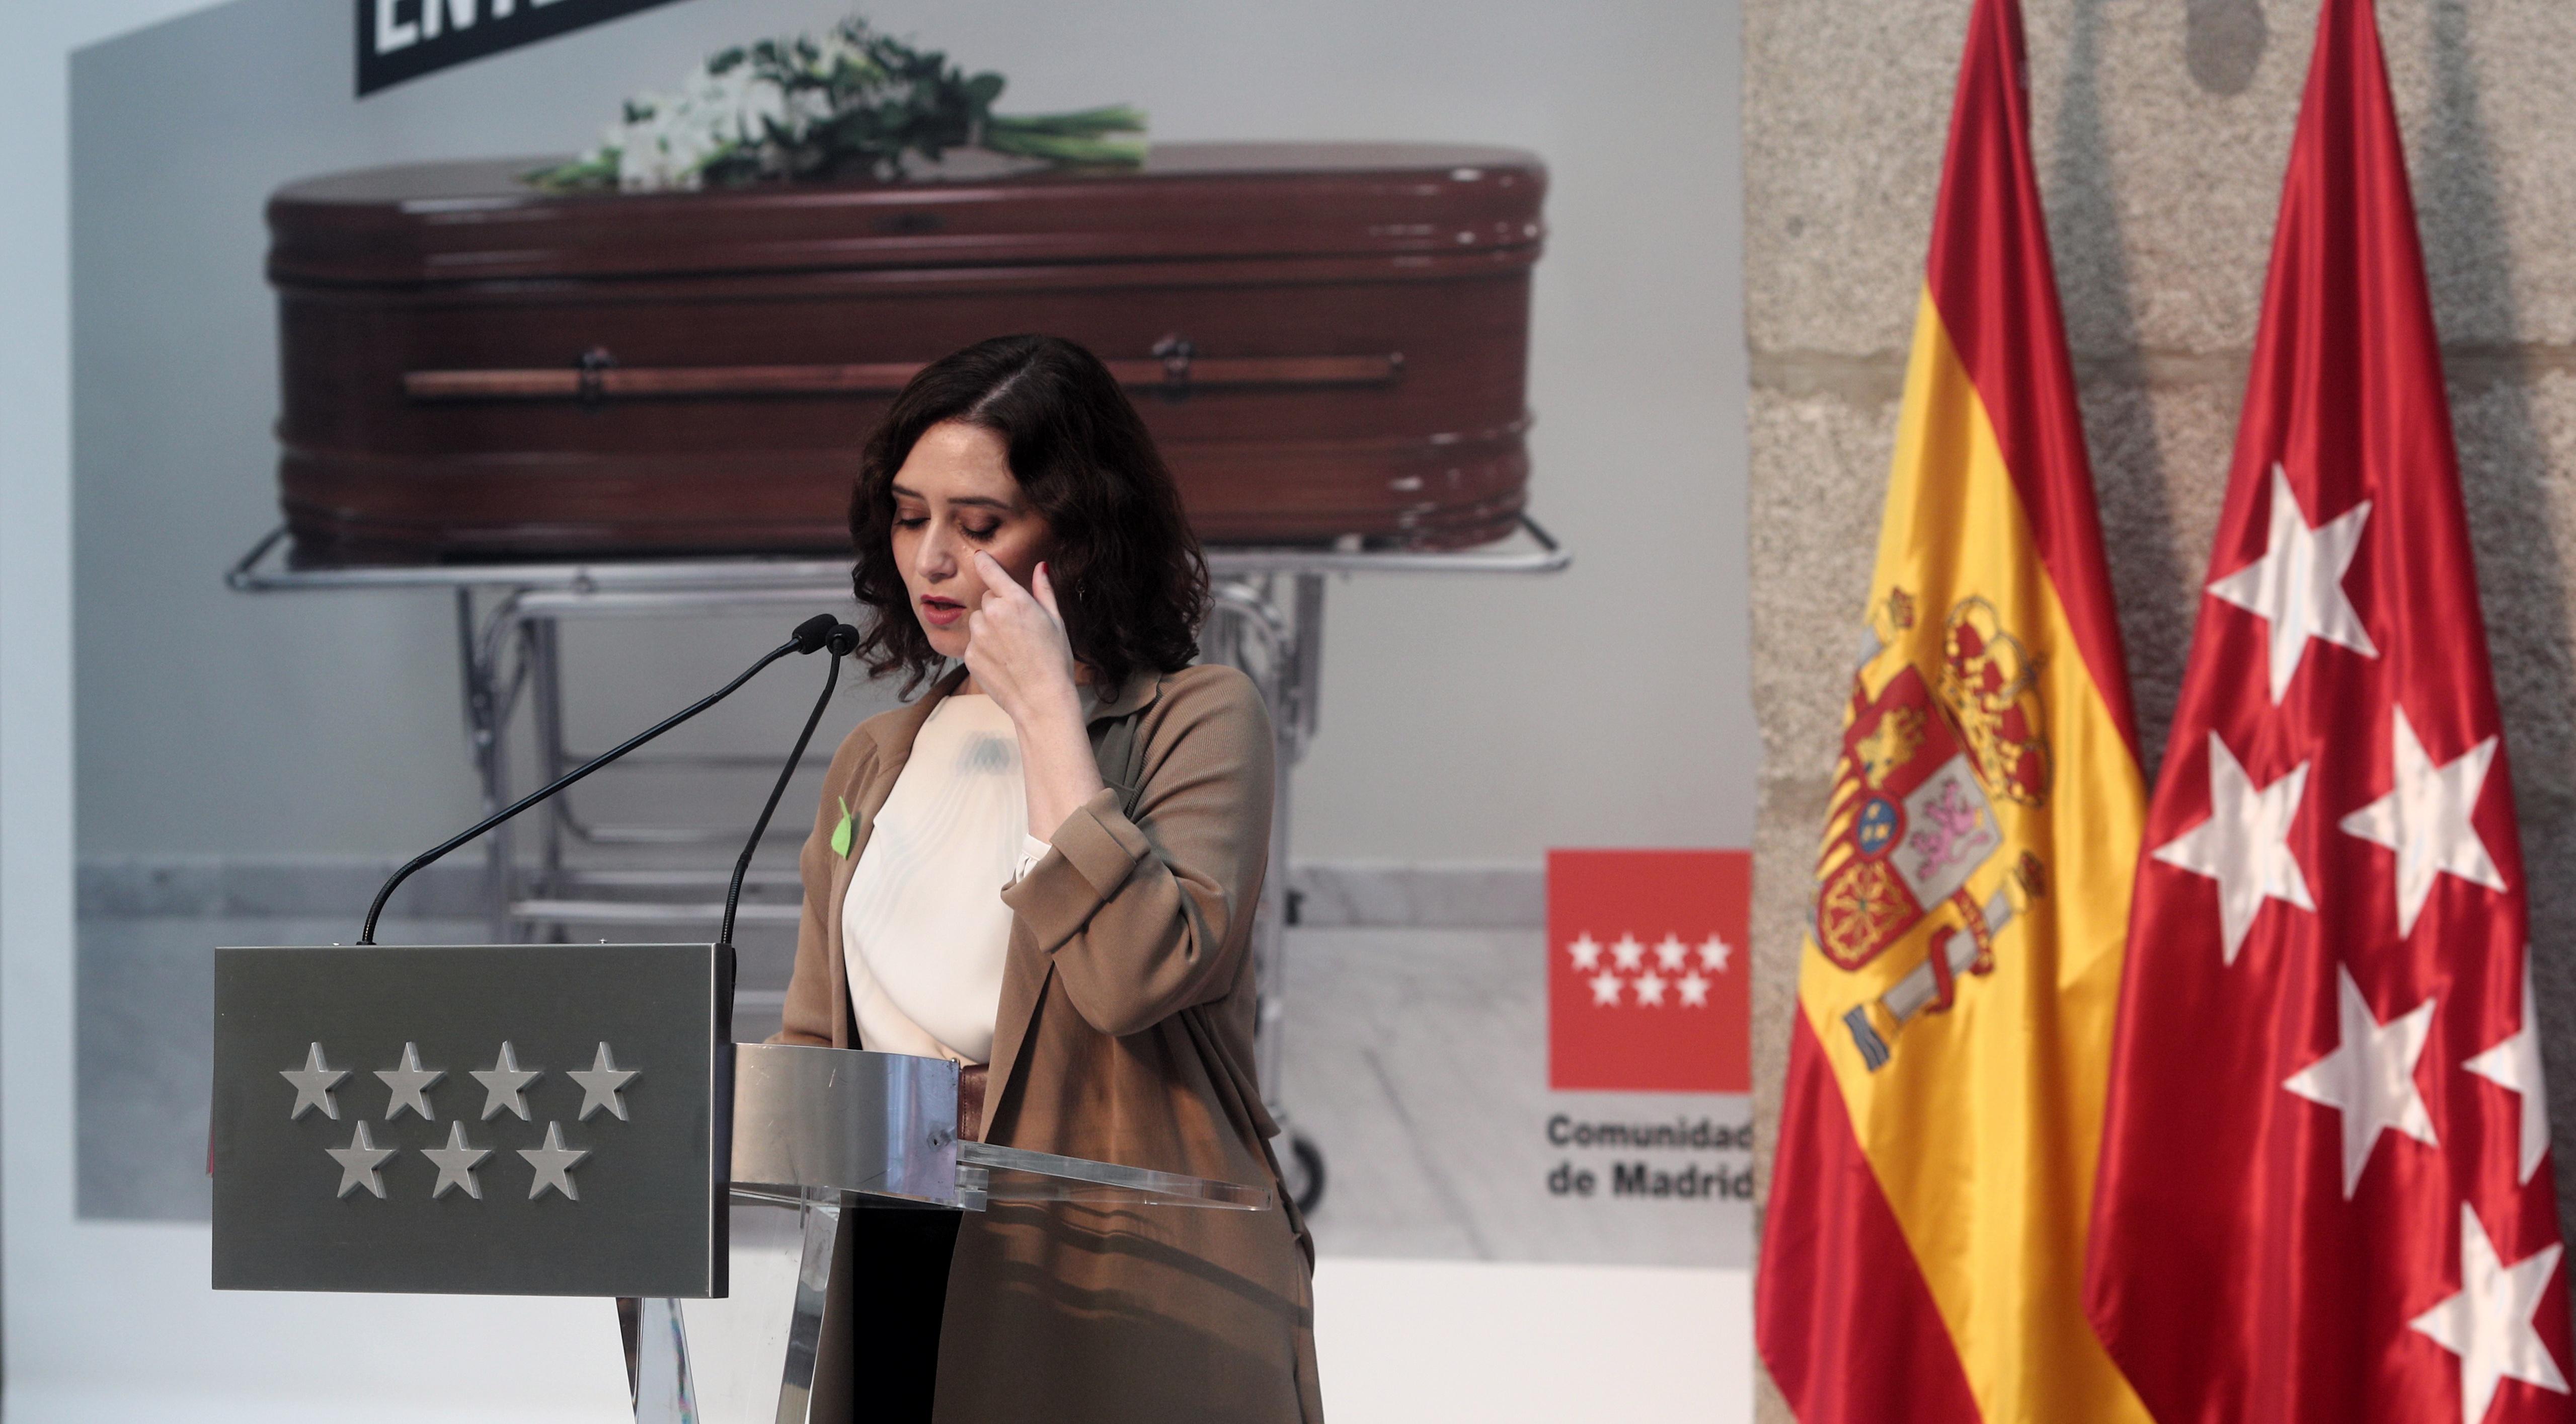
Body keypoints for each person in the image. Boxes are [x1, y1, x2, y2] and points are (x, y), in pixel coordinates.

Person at [772, 333, 1322, 1422]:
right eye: (907, 512)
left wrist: (1044, 716)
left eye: (978, 525)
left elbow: (1133, 973)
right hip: (892, 1256)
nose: (931, 557)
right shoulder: (876, 757)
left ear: (1078, 532)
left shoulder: (1199, 721)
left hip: (1125, 1289)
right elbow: (810, 1049)